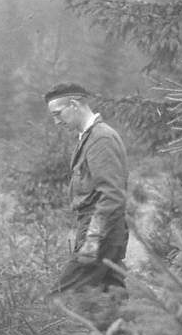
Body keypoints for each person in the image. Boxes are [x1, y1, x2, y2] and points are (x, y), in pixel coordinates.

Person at [44, 82, 129, 294]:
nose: (56, 122)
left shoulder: (101, 138)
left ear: (74, 104)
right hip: (104, 231)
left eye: (58, 114)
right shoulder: (89, 137)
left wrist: (93, 238)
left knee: (60, 299)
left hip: (102, 232)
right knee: (110, 303)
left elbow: (112, 195)